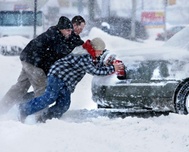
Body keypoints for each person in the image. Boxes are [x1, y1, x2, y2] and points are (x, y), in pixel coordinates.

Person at [18, 37, 125, 123]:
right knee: (49, 97)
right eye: (100, 51)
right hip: (57, 75)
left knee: (64, 104)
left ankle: (46, 119)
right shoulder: (84, 55)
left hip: (66, 81)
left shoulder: (89, 53)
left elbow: (95, 64)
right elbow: (94, 70)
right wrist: (113, 68)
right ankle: (23, 109)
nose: (100, 53)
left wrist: (108, 64)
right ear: (95, 48)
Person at [0, 16, 86, 114]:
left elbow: (71, 42)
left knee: (21, 87)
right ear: (62, 28)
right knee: (42, 89)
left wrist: (84, 45)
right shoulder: (55, 36)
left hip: (28, 59)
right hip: (34, 63)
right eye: (80, 28)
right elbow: (61, 51)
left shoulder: (61, 34)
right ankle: (38, 115)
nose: (70, 32)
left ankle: (3, 107)